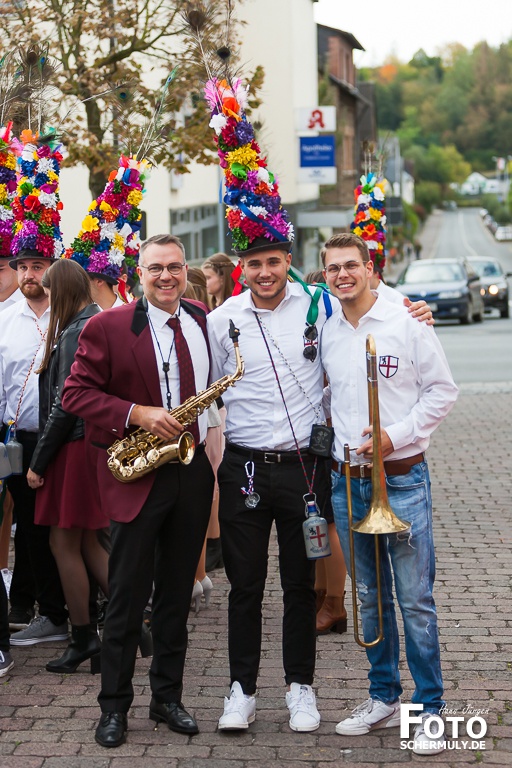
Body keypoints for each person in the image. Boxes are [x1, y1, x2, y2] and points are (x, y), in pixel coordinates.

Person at [61, 233, 214, 749]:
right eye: (156, 268)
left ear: (186, 270)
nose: (166, 276)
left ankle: (167, 698)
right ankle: (114, 707)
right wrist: (136, 413)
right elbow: (74, 393)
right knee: (127, 597)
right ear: (138, 274)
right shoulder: (107, 326)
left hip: (190, 470)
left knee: (176, 594)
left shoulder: (202, 318)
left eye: (175, 267)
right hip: (138, 472)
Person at [320, 232, 458, 756]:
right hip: (347, 481)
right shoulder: (328, 328)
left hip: (400, 476)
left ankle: (430, 709)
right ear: (325, 275)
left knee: (415, 601)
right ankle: (384, 697)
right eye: (333, 268)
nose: (342, 275)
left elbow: (443, 391)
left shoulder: (407, 321)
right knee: (369, 596)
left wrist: (393, 436)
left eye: (350, 265)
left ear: (370, 267)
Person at [0, 131, 69, 644]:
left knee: (55, 527)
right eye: (21, 266)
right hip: (15, 438)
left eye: (37, 266)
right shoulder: (5, 317)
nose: (28, 274)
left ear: (53, 268)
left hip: (60, 439)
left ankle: (61, 611)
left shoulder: (71, 317)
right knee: (25, 524)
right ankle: (36, 605)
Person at [26, 259, 109, 673]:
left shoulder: (77, 329)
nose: (46, 297)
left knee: (64, 544)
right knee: (89, 542)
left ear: (61, 290)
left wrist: (38, 461)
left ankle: (85, 637)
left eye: (49, 290)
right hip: (85, 445)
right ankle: (130, 623)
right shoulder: (91, 321)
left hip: (72, 448)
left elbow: (65, 404)